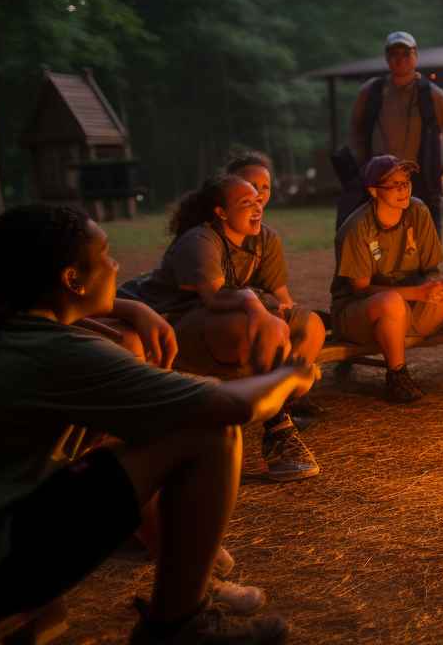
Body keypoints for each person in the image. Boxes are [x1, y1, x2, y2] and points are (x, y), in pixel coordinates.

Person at [0, 205, 317, 643]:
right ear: (71, 280)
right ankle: (178, 626)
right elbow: (222, 406)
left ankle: (187, 592)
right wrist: (289, 374)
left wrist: (132, 309)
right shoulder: (55, 354)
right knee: (207, 434)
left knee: (125, 431)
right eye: (105, 255)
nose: (115, 264)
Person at [119, 174, 325, 483]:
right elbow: (215, 298)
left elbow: (270, 294)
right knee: (266, 330)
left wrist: (272, 308)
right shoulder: (200, 239)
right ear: (220, 212)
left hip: (204, 318)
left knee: (310, 324)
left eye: (258, 201)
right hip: (164, 320)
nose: (256, 208)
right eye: (245, 204)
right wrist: (254, 304)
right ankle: (278, 431)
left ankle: (277, 401)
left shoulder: (259, 239)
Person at [332, 154, 443, 401]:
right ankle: (397, 378)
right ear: (374, 191)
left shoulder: (418, 211)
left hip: (410, 307)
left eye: (406, 182)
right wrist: (417, 293)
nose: (403, 190)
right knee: (390, 302)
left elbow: (431, 267)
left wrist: (435, 284)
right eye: (394, 184)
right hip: (361, 315)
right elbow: (360, 290)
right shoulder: (357, 228)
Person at [342, 30, 443, 234]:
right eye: (394, 54)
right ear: (386, 58)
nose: (399, 59)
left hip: (422, 183)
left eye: (405, 54)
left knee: (427, 251)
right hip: (380, 184)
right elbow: (354, 132)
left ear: (415, 56)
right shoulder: (370, 93)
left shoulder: (434, 96)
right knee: (380, 249)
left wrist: (442, 177)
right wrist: (363, 169)